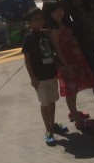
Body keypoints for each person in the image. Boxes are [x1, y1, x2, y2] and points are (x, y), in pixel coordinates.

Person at [43, 0, 94, 130]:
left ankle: (74, 112)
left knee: (75, 89)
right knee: (71, 92)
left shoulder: (65, 24)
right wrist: (66, 66)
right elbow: (58, 50)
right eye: (54, 11)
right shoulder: (53, 30)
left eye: (60, 8)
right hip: (67, 63)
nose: (59, 12)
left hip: (77, 60)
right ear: (49, 14)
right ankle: (78, 121)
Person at [21, 8, 68, 146]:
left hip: (52, 74)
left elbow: (53, 53)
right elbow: (27, 59)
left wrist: (60, 68)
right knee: (44, 103)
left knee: (52, 100)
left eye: (40, 19)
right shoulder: (28, 38)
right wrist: (33, 78)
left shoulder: (47, 34)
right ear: (29, 23)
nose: (39, 22)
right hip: (39, 78)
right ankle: (48, 130)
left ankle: (52, 123)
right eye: (35, 20)